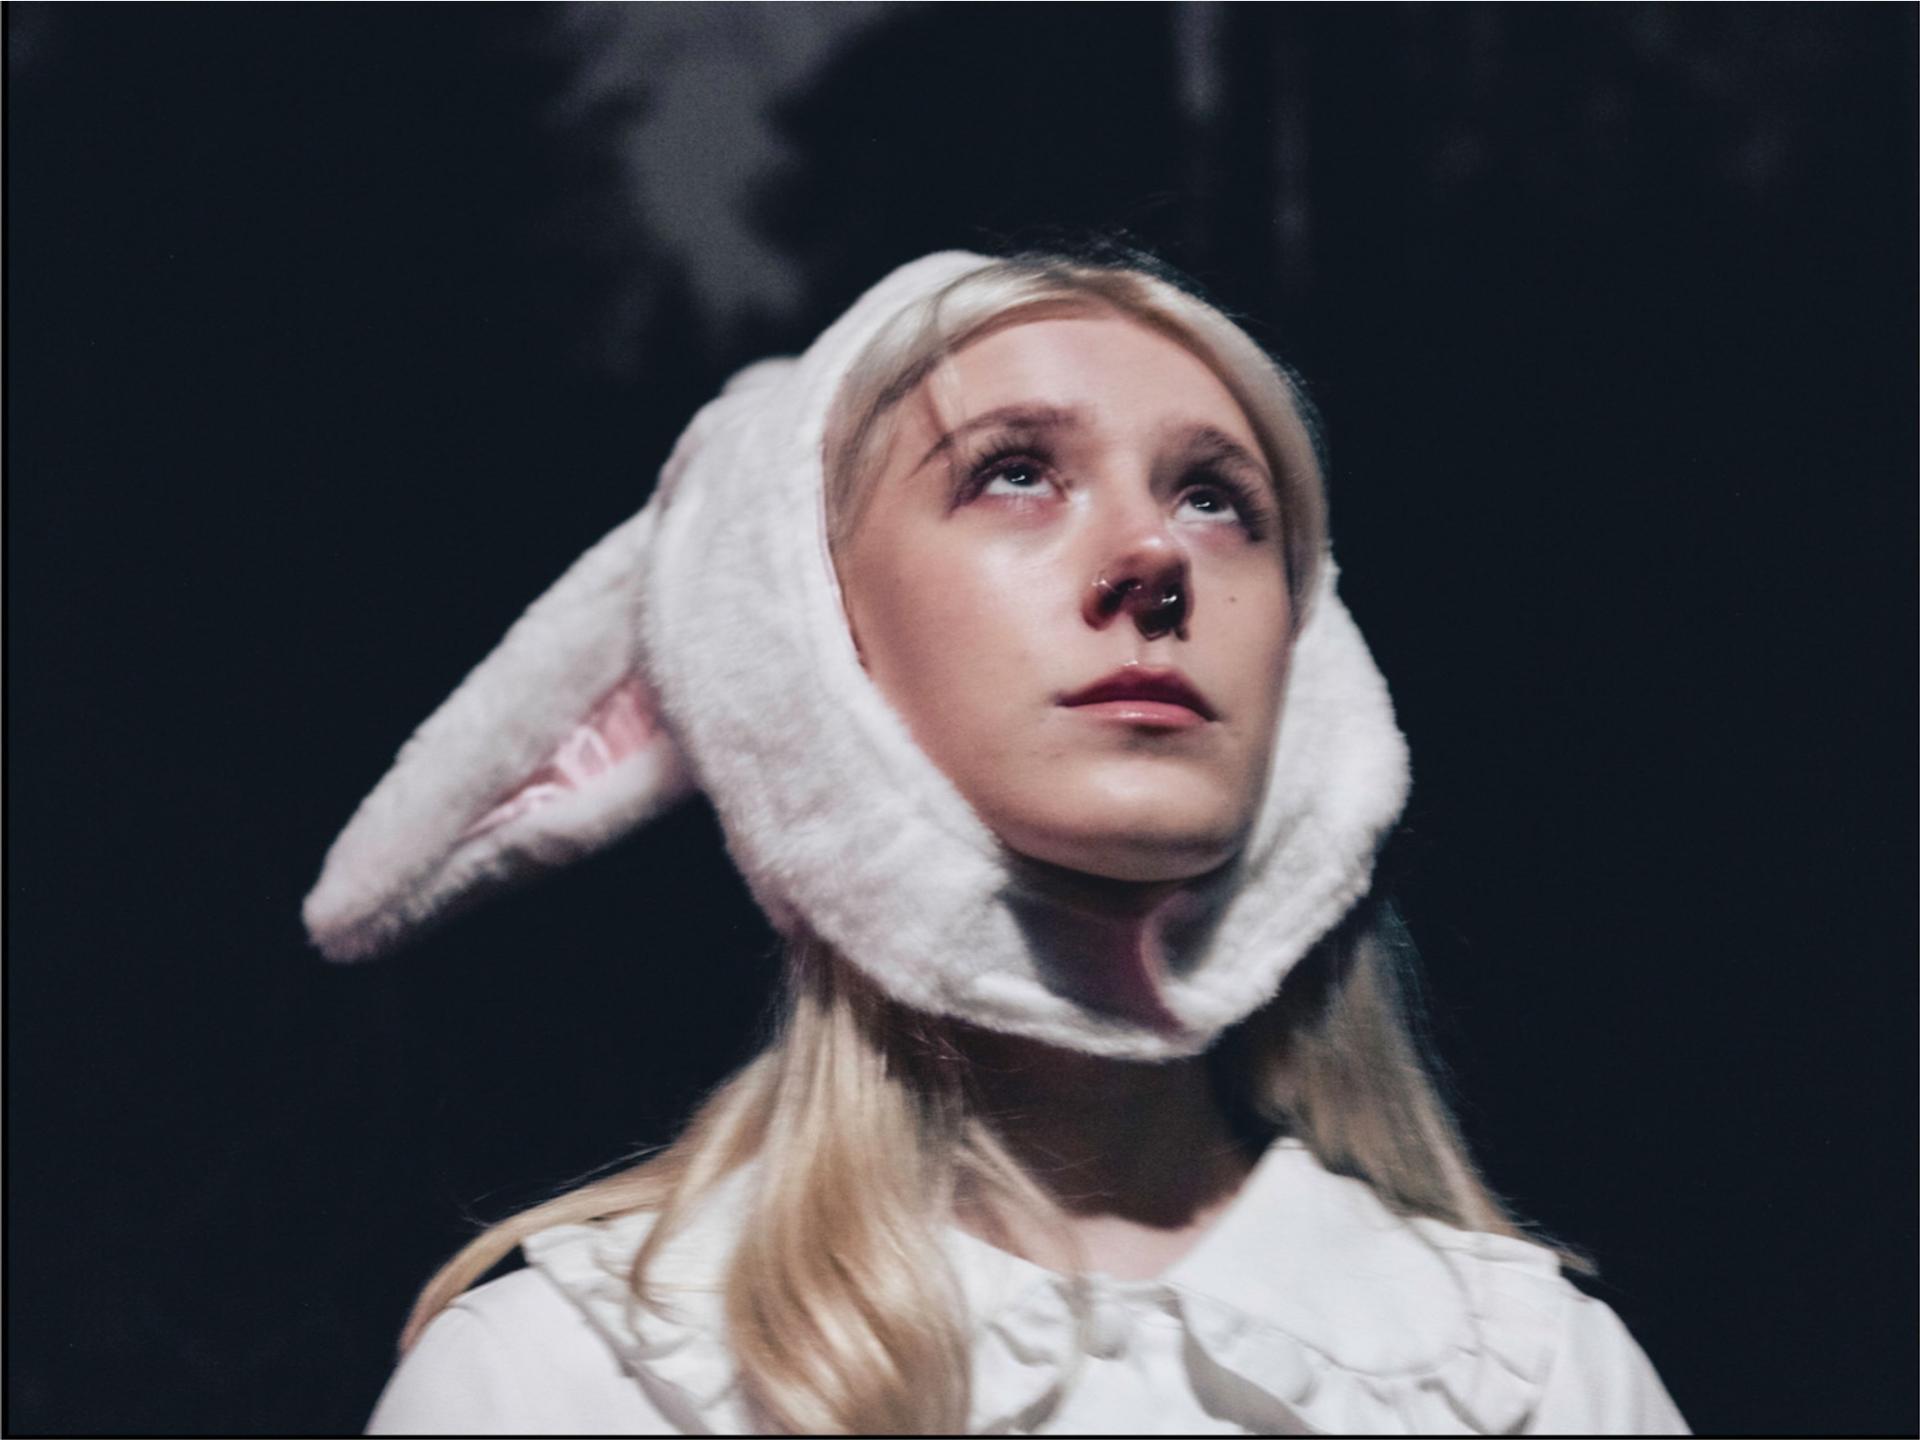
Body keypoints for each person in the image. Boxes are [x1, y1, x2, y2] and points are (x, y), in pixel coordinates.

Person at [305, 249, 1689, 1434]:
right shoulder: (565, 1384)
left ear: (1314, 691)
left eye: (1217, 497)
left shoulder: (1535, 1385)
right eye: (1016, 472)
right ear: (804, 644)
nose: (1155, 556)